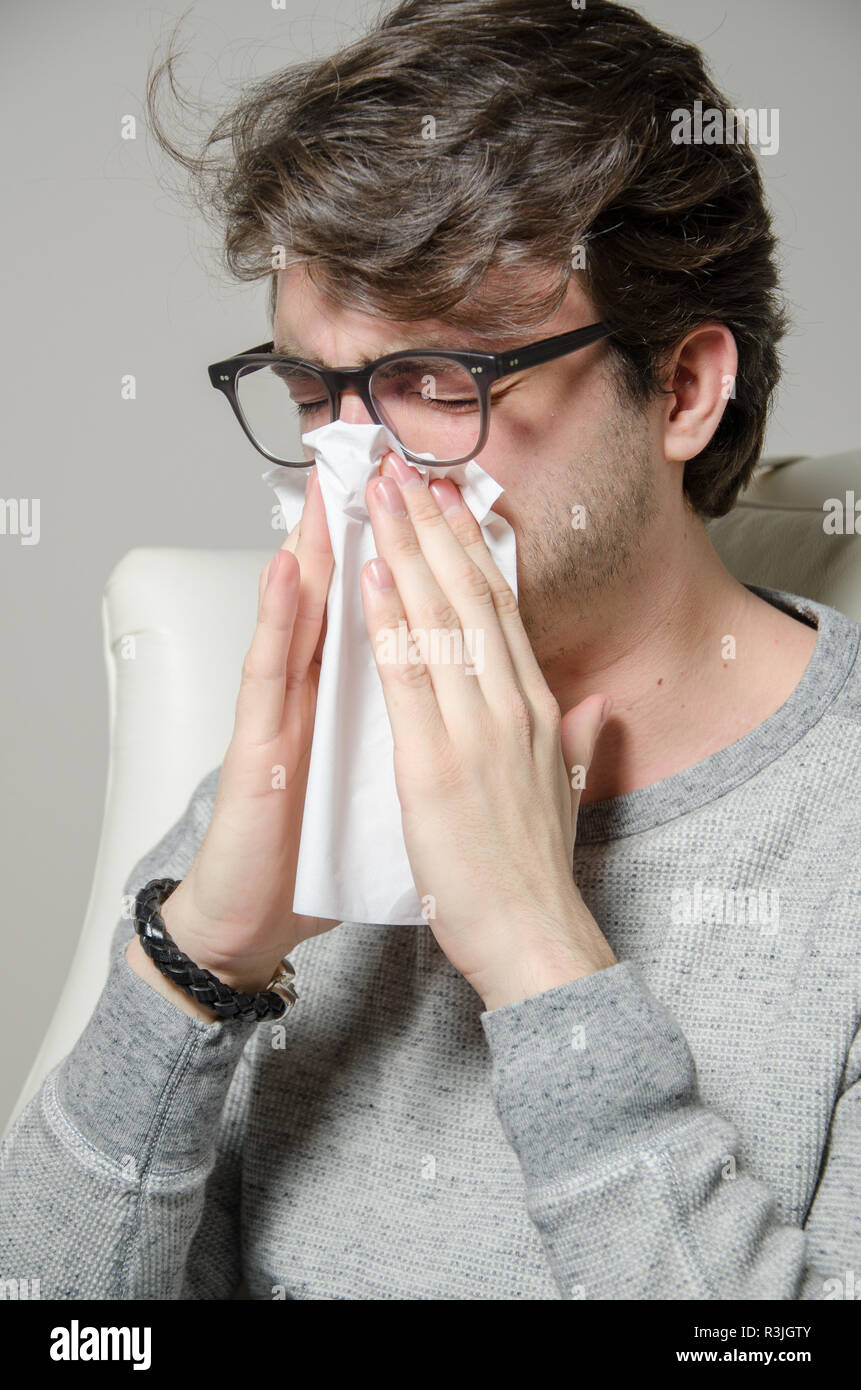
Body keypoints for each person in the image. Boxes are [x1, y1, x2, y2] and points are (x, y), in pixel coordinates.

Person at [1, 0, 858, 1301]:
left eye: (439, 384)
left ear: (682, 389)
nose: (356, 467)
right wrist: (199, 959)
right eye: (310, 394)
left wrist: (532, 942)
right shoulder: (308, 751)